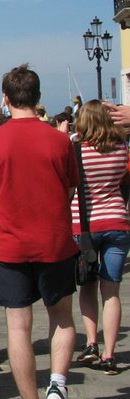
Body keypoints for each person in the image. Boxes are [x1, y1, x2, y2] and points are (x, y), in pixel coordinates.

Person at [0, 64, 79, 399]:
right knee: (62, 318)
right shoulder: (60, 141)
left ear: (5, 99)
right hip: (55, 241)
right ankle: (57, 385)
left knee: (19, 327)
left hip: (10, 245)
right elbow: (70, 189)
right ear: (38, 98)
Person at [70, 100, 129, 375]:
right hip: (117, 222)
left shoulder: (78, 150)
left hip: (84, 226)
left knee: (88, 287)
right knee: (112, 291)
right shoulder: (120, 148)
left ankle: (92, 342)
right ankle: (109, 354)